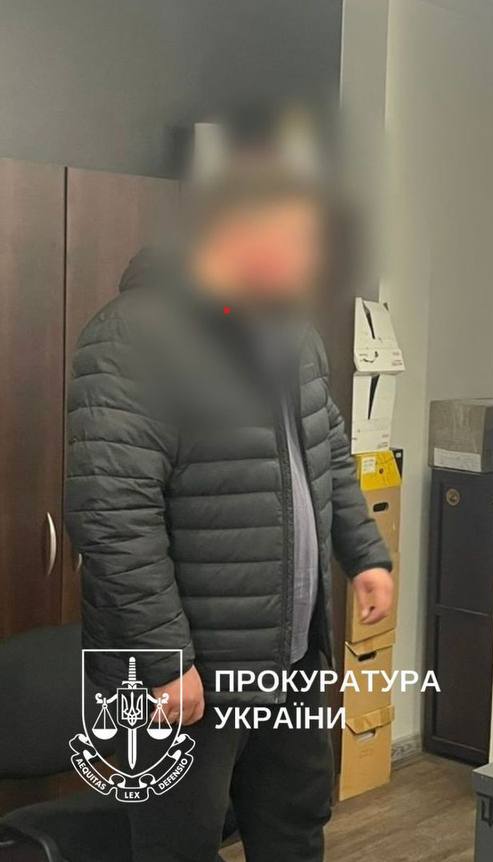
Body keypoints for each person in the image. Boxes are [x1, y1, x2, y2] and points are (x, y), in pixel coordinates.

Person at [65, 160, 394, 861]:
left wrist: (364, 554)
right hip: (190, 673)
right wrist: (165, 661)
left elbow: (327, 451)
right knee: (178, 846)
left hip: (290, 659)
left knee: (294, 832)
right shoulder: (134, 336)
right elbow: (113, 515)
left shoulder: (290, 330)